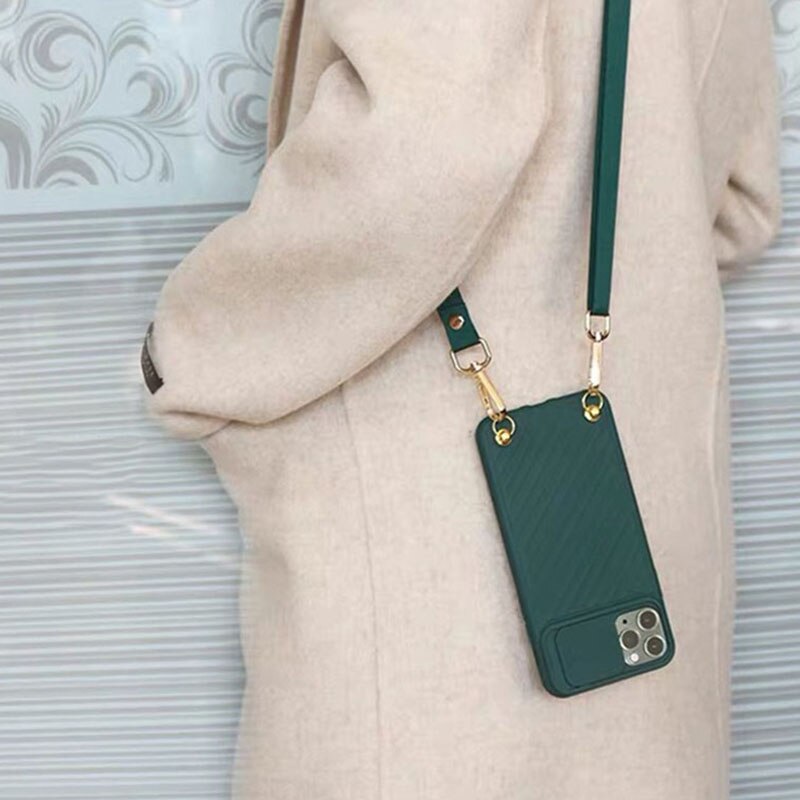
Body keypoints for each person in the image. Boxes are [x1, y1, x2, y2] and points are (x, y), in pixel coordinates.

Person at [141, 0, 781, 797]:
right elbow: (743, 204)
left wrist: (195, 347)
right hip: (646, 527)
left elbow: (435, 137)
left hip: (424, 559)